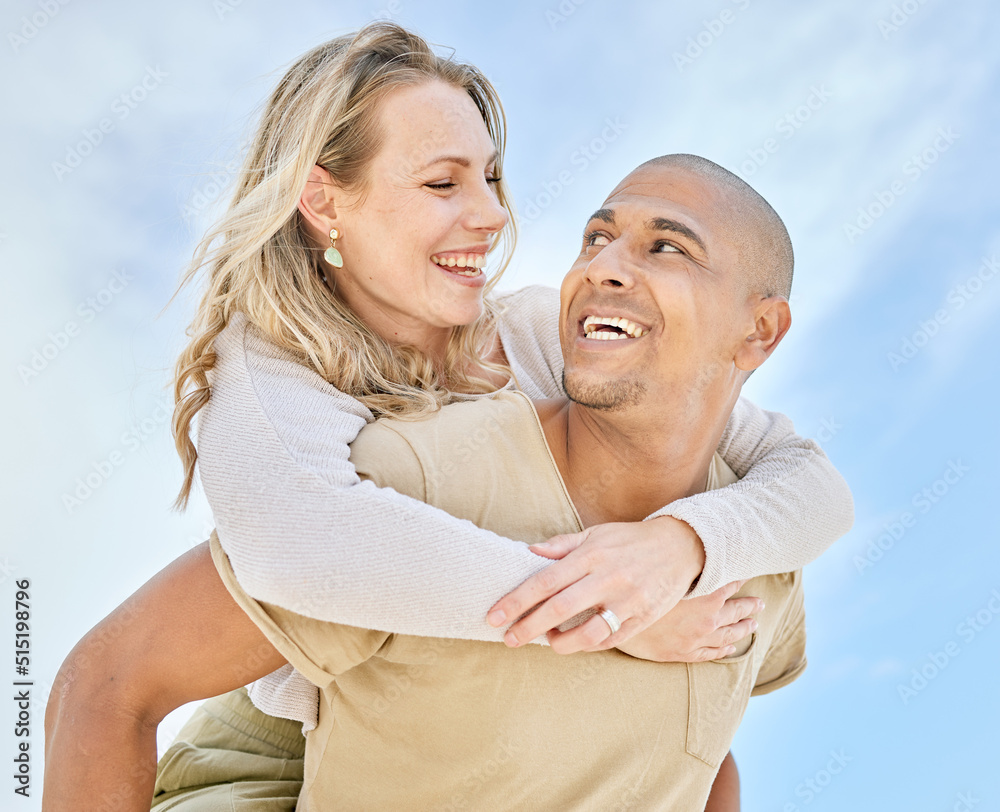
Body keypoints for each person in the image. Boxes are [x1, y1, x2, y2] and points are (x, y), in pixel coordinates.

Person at [44, 21, 849, 809]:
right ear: (325, 200)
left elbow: (804, 479)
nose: (494, 216)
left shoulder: (538, 336)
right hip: (274, 746)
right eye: (441, 183)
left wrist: (676, 549)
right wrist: (605, 612)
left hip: (440, 713)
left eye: (491, 178)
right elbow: (307, 549)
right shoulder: (268, 379)